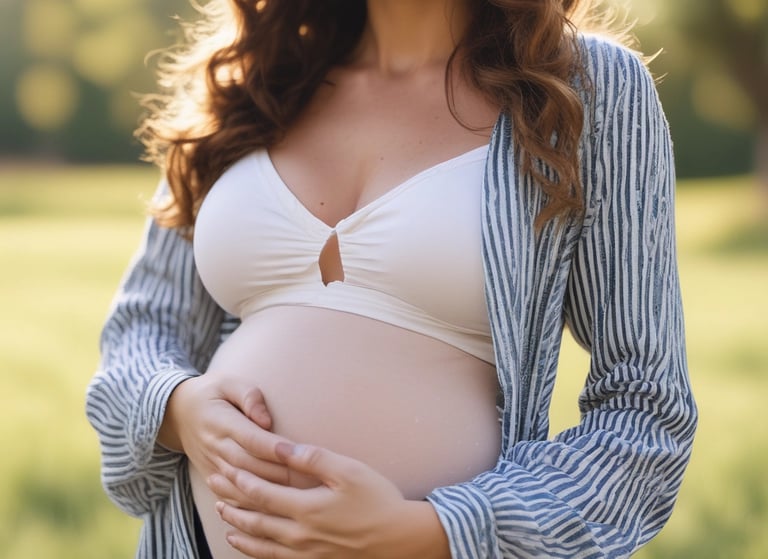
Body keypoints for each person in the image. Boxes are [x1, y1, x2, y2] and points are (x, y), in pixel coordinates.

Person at [85, 0, 698, 557]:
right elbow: (142, 329)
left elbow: (644, 408)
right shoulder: (253, 85)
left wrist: (433, 531)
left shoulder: (585, 89)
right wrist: (179, 408)